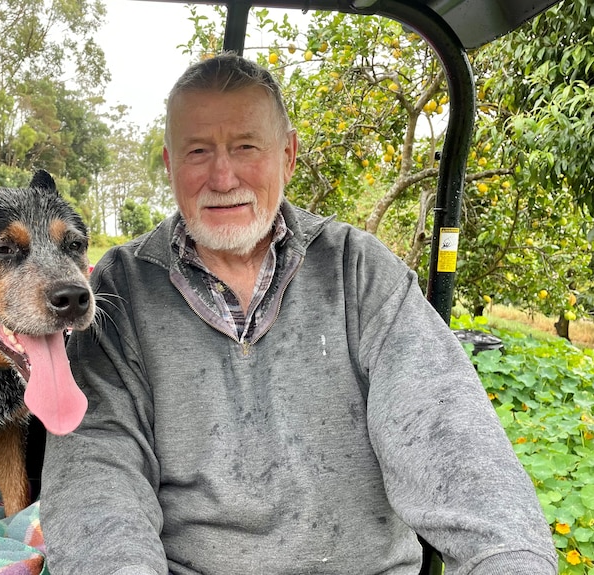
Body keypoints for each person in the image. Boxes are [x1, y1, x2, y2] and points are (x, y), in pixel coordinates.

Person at [38, 52, 557, 575]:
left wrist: (509, 559)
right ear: (171, 165)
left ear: (287, 155)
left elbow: (449, 435)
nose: (222, 176)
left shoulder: (359, 271)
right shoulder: (121, 288)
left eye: (245, 147)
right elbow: (97, 477)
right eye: (198, 151)